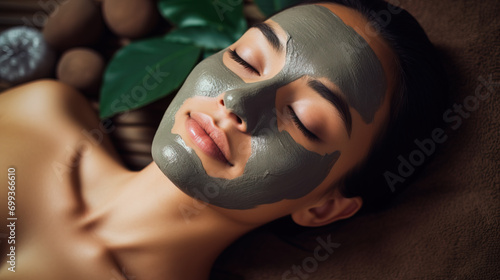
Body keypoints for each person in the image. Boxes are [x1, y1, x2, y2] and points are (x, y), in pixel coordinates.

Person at [0, 0, 447, 279]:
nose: (237, 101)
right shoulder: (44, 114)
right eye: (246, 60)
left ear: (324, 206)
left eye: (302, 119)